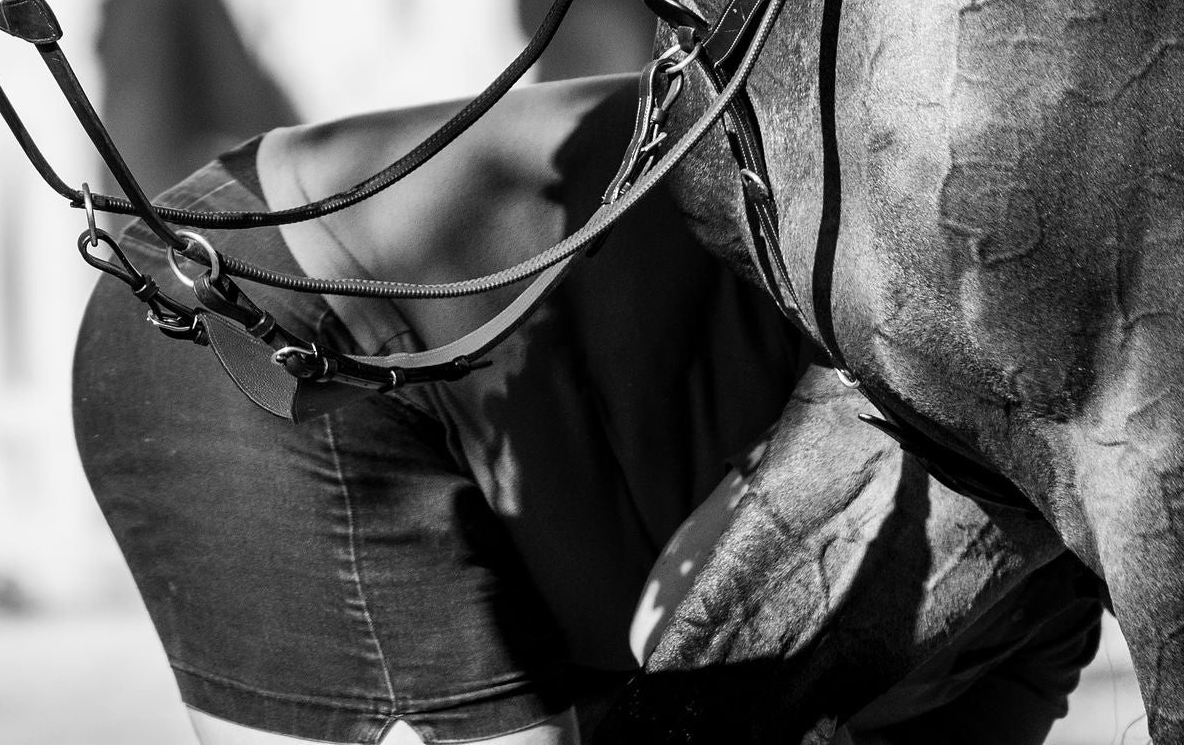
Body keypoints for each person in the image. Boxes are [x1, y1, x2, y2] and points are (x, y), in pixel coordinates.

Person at [76, 75, 1105, 745]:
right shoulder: (976, 359)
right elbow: (698, 647)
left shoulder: (1045, 611)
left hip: (395, 362)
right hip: (279, 313)